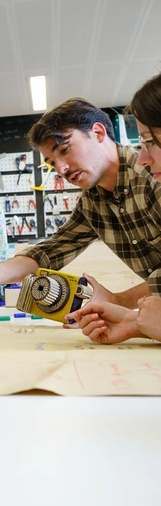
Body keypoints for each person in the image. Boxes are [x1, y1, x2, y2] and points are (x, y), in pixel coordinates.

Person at [0, 97, 161, 312]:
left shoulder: (153, 177)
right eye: (52, 163)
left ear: (98, 133)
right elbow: (50, 252)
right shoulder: (92, 201)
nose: (61, 169)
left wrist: (120, 301)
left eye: (64, 150)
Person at [71, 72, 161, 343]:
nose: (143, 159)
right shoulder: (90, 201)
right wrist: (132, 321)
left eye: (150, 141)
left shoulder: (147, 184)